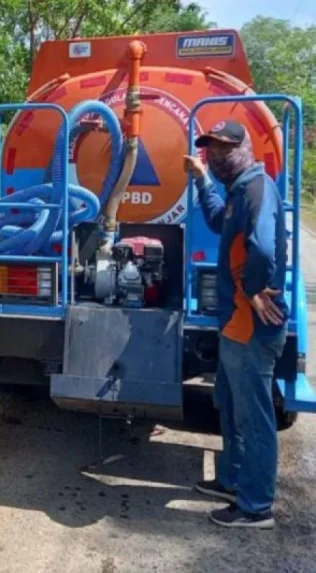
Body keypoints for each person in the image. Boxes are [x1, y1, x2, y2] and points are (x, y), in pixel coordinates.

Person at [184, 119, 287, 529]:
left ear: (244, 149)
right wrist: (202, 179)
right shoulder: (236, 192)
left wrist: (256, 288)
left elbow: (262, 245)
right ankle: (232, 481)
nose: (216, 155)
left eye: (223, 149)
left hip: (250, 327)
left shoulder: (257, 189)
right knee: (228, 403)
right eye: (211, 149)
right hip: (233, 324)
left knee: (253, 416)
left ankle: (256, 506)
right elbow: (215, 221)